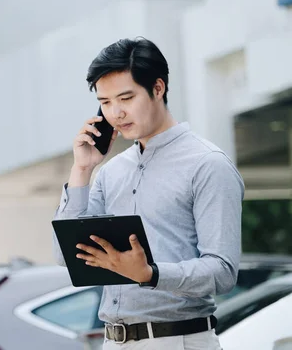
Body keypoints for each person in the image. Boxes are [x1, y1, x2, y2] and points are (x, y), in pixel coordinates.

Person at [52, 37, 244, 349]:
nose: (115, 113)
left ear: (157, 88)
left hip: (177, 339)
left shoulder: (208, 164)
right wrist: (82, 170)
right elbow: (65, 256)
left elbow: (222, 272)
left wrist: (150, 274)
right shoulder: (110, 172)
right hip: (113, 341)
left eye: (126, 98)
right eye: (105, 102)